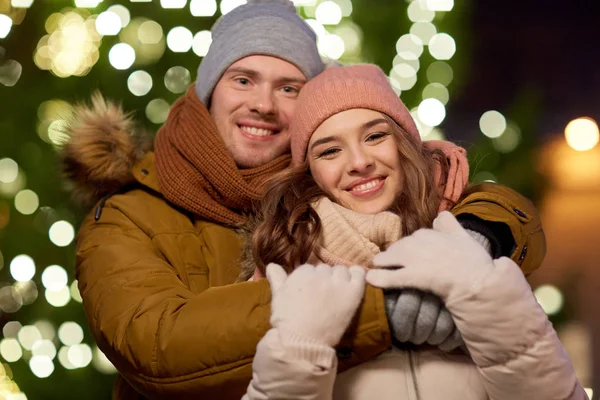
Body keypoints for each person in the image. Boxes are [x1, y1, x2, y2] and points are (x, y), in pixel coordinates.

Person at [60, 0, 546, 398]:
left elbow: (478, 199)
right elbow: (158, 346)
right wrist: (380, 311)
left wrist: (482, 234)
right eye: (243, 79)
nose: (264, 104)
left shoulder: (336, 182)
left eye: (288, 87)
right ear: (208, 92)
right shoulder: (127, 212)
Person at [243, 64, 586, 400]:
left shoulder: (465, 239)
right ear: (310, 173)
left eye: (375, 136)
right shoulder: (287, 265)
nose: (359, 161)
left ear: (404, 142)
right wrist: (298, 350)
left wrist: (484, 298)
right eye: (330, 151)